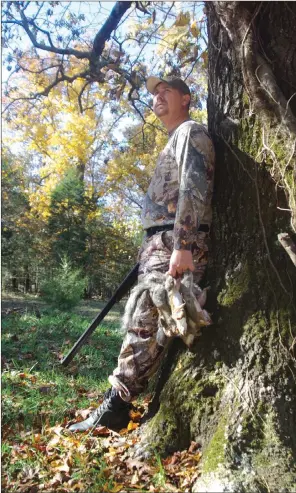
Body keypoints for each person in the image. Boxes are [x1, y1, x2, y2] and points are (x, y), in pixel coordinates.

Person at [68, 76, 215, 432]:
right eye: (154, 92)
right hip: (160, 245)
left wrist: (181, 245)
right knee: (144, 318)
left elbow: (194, 190)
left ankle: (116, 406)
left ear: (186, 98)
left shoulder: (191, 132)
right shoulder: (172, 141)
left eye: (166, 90)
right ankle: (119, 401)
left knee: (144, 324)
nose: (157, 96)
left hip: (174, 244)